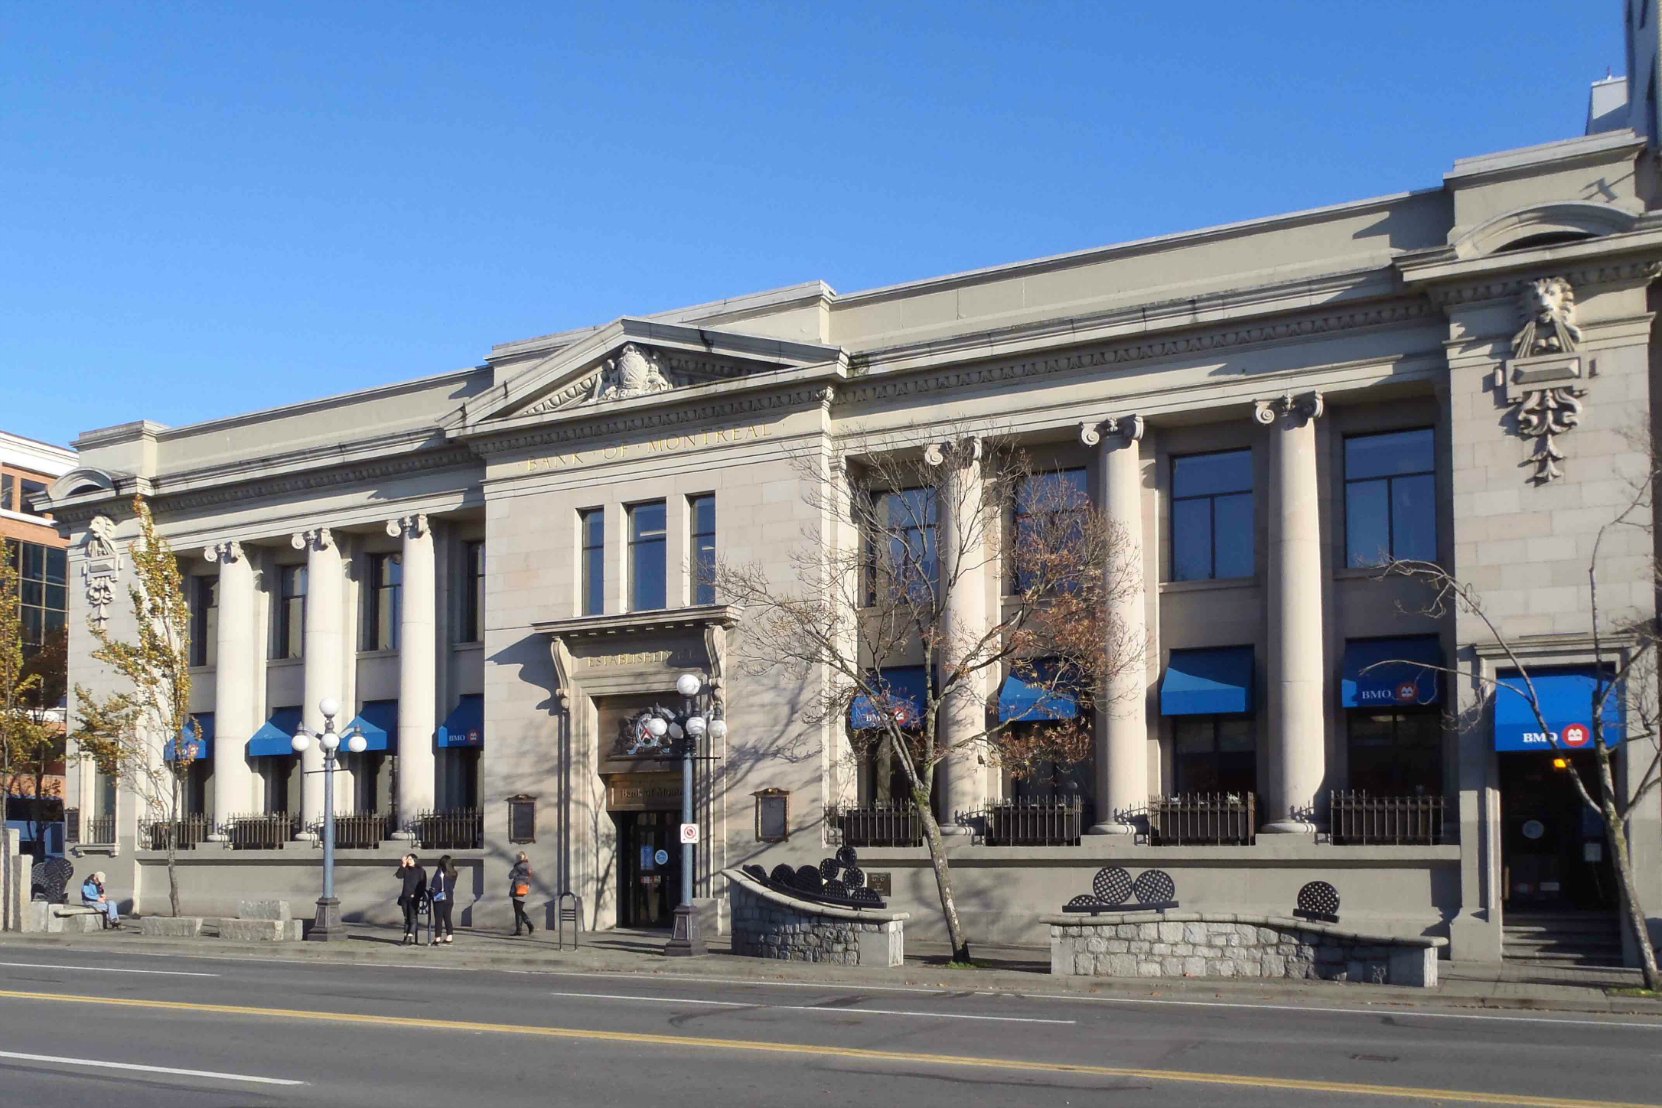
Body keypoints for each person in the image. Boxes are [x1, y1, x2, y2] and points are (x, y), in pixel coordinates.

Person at [395, 853, 427, 946]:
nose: (408, 861)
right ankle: (405, 936)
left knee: (412, 918)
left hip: (414, 898)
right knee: (406, 918)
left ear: (414, 860)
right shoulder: (406, 870)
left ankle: (409, 937)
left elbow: (422, 885)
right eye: (407, 859)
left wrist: (416, 895)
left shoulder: (420, 871)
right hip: (405, 896)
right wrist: (403, 865)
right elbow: (399, 875)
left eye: (410, 859)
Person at [428, 854, 456, 946]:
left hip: (440, 897)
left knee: (438, 919)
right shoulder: (454, 873)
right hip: (449, 898)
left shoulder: (440, 872)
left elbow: (435, 885)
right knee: (448, 918)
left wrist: (432, 893)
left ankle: (437, 938)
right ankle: (449, 936)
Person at [509, 851, 534, 936]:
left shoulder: (518, 866)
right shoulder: (529, 866)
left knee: (518, 910)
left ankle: (527, 924)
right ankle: (519, 929)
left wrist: (516, 874)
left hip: (517, 890)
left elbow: (510, 875)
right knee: (519, 910)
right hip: (525, 889)